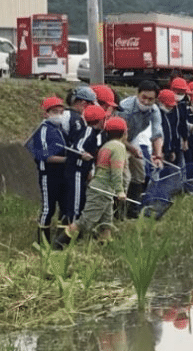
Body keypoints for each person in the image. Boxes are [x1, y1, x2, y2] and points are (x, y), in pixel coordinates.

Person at [53, 116, 128, 249]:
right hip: (102, 189)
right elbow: (117, 171)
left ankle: (105, 245)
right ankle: (57, 245)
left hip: (102, 189)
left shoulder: (106, 146)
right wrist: (120, 191)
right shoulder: (119, 148)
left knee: (106, 222)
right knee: (85, 221)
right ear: (124, 132)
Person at [115, 80, 164, 218]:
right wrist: (132, 149)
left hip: (132, 139)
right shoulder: (125, 108)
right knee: (124, 176)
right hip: (117, 141)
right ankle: (118, 211)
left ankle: (133, 209)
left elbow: (157, 134)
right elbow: (117, 134)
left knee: (140, 174)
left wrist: (158, 156)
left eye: (151, 99)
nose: (147, 102)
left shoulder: (154, 110)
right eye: (144, 97)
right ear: (138, 94)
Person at [28, 96, 69, 245]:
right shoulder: (44, 130)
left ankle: (60, 241)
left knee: (65, 207)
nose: (58, 115)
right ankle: (42, 242)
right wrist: (67, 160)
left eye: (61, 111)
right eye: (54, 111)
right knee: (48, 207)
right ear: (46, 113)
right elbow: (45, 156)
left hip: (63, 174)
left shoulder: (60, 130)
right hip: (49, 174)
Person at [64, 104, 107, 223]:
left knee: (79, 200)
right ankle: (70, 232)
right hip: (76, 171)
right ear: (100, 120)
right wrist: (82, 154)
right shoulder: (88, 131)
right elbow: (77, 146)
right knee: (75, 203)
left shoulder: (95, 134)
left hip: (82, 172)